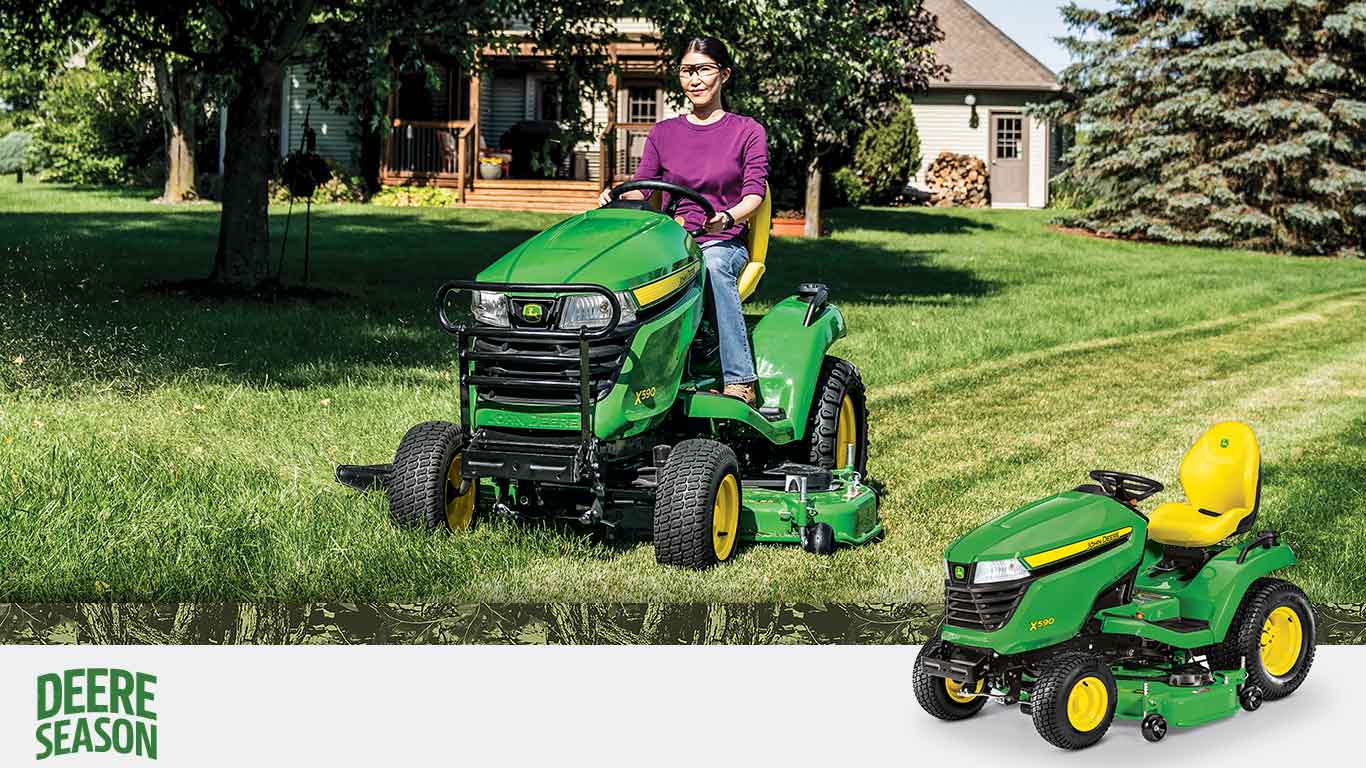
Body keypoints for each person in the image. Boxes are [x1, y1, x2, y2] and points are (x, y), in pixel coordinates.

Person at [598, 36, 768, 406]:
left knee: (714, 264)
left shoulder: (747, 131)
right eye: (687, 71)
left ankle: (741, 379)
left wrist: (727, 217)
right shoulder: (663, 133)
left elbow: (755, 194)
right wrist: (614, 196)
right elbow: (642, 190)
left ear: (724, 74)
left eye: (703, 70)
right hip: (671, 240)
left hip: (722, 240)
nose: (695, 79)